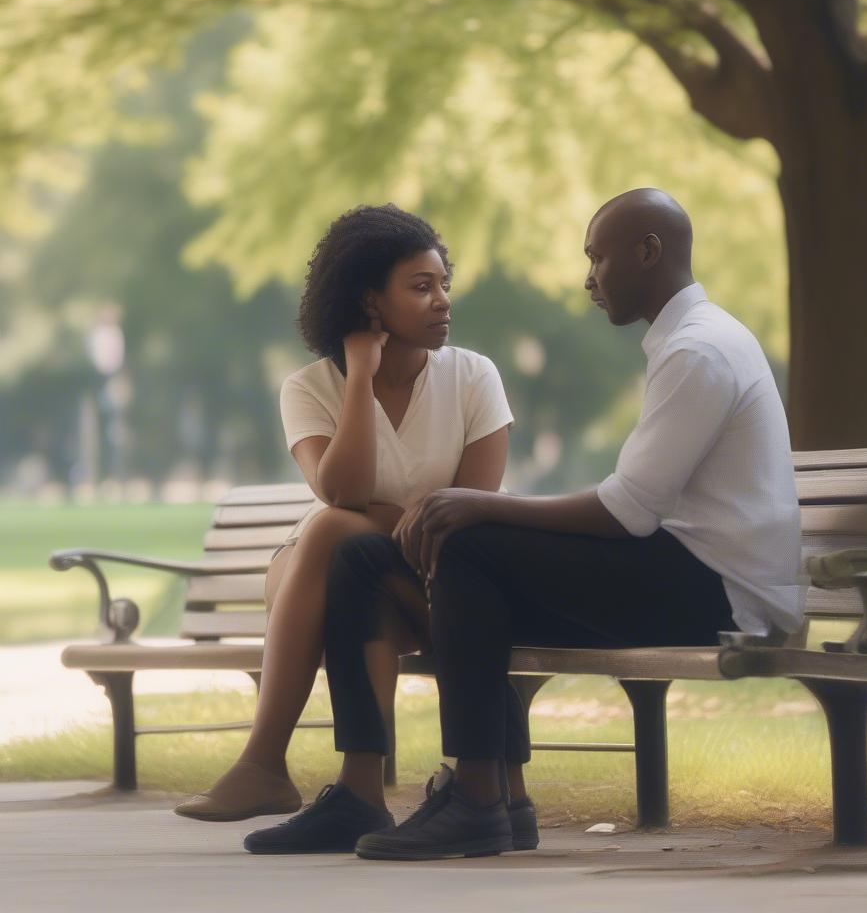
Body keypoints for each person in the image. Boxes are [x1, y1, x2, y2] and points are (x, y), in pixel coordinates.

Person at [271, 186, 805, 860]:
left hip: (723, 595)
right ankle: (391, 795)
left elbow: (625, 510)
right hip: (688, 575)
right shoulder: (688, 343)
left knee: (468, 545)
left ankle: (478, 797)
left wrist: (479, 504)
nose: (588, 281)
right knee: (363, 562)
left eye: (598, 259)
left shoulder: (699, 350)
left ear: (647, 252)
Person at [174, 204, 534, 846]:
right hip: (351, 577)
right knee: (333, 551)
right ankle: (354, 795)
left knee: (328, 535)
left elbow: (468, 520)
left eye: (443, 282)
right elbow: (340, 489)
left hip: (451, 581)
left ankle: (272, 765)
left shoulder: (473, 376)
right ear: (370, 301)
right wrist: (361, 378)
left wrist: (380, 519)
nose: (442, 300)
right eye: (421, 287)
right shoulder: (310, 388)